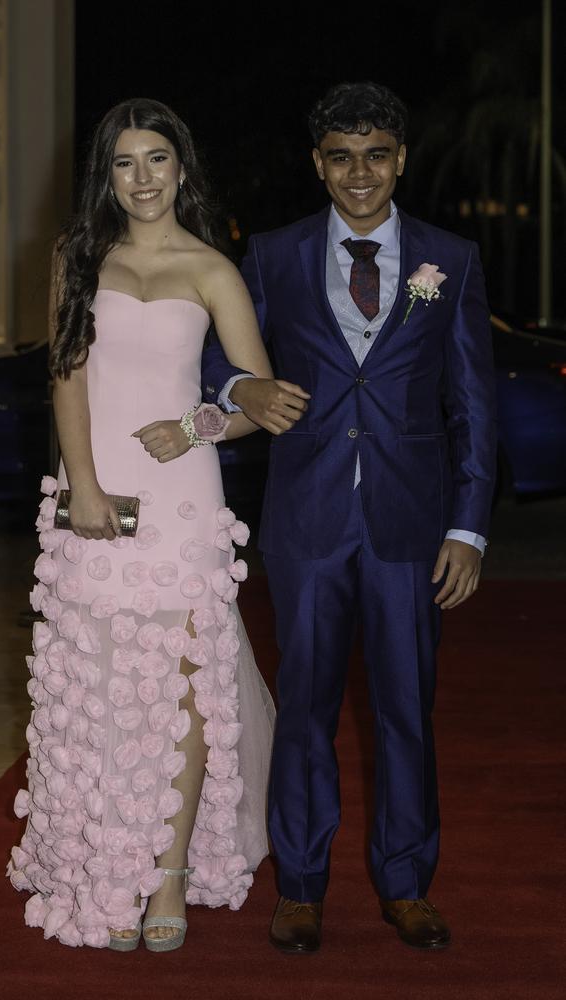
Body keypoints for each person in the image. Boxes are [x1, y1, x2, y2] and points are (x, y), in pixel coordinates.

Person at [202, 81, 497, 953]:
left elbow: (473, 406)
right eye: (341, 156)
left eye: (376, 155)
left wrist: (469, 527)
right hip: (308, 520)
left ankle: (406, 883)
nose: (359, 173)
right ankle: (299, 886)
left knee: (408, 710)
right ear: (318, 164)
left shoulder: (453, 259)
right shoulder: (274, 255)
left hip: (414, 528)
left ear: (400, 159)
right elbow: (220, 348)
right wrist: (238, 386)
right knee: (306, 708)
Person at [7, 98, 275, 953]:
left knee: (186, 687)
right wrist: (81, 487)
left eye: (157, 158)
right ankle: (106, 866)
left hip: (184, 499)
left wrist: (197, 425)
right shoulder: (77, 257)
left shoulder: (212, 270)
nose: (144, 177)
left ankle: (168, 872)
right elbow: (66, 375)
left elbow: (259, 401)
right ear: (107, 177)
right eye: (125, 163)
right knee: (101, 679)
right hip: (98, 491)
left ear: (182, 168)